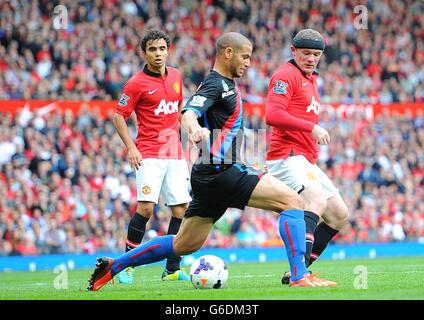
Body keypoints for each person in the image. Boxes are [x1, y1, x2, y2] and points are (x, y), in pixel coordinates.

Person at [87, 32, 336, 291]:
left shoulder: (228, 84)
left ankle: (113, 266)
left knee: (183, 244)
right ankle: (299, 275)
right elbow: (189, 111)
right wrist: (194, 128)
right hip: (221, 171)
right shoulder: (215, 83)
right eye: (245, 56)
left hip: (210, 176)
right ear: (228, 52)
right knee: (293, 201)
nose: (249, 63)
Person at [265, 29, 349, 284]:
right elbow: (272, 115)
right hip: (286, 155)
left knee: (338, 214)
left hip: (304, 158)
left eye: (316, 54)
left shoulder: (311, 79)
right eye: (306, 53)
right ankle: (300, 274)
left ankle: (300, 269)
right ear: (293, 51)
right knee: (314, 198)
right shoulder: (285, 75)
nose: (311, 58)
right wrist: (312, 128)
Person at [112, 29, 192, 284]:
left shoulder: (177, 76)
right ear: (144, 53)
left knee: (181, 210)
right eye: (153, 50)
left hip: (174, 153)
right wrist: (130, 147)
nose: (158, 54)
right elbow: (118, 116)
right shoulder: (136, 83)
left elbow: (178, 109)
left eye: (162, 49)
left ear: (168, 50)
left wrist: (189, 129)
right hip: (148, 151)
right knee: (146, 208)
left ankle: (172, 269)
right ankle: (126, 264)